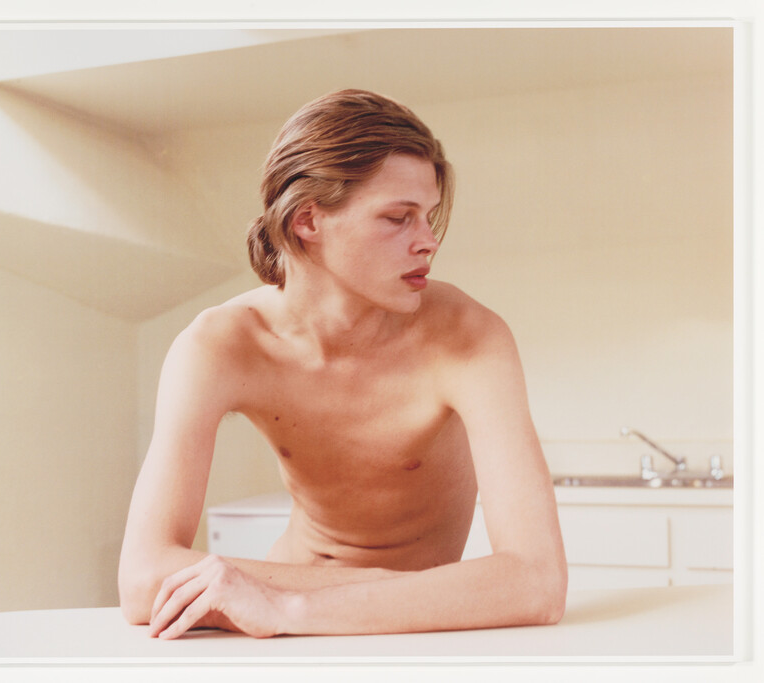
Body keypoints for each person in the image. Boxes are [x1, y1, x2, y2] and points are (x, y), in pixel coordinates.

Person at [118, 89, 567, 639]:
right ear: (309, 219)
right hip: (336, 624)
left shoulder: (469, 336)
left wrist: (290, 607)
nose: (428, 242)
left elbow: (537, 582)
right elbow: (141, 579)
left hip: (364, 626)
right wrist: (386, 594)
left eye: (428, 217)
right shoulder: (219, 345)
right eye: (398, 218)